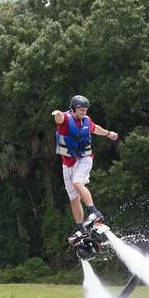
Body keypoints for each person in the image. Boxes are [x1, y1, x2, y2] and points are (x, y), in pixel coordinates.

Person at [51, 95, 118, 244]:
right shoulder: (65, 121)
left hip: (84, 159)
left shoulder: (86, 120)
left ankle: (94, 211)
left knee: (77, 183)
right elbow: (59, 118)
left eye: (85, 110)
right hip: (67, 164)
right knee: (74, 199)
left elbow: (96, 129)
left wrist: (108, 134)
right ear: (73, 109)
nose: (84, 113)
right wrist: (56, 113)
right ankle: (81, 229)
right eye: (81, 110)